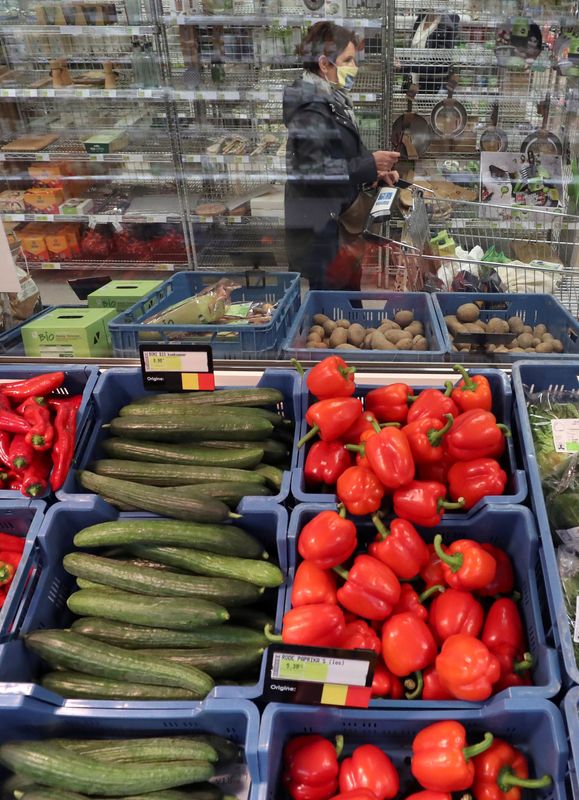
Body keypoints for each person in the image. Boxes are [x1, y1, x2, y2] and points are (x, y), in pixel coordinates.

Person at [283, 21, 400, 290]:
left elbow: (338, 154)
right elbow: (314, 172)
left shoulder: (332, 101)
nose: (354, 67)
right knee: (332, 315)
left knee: (348, 309)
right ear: (325, 64)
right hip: (322, 235)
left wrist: (374, 172)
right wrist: (368, 165)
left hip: (337, 228)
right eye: (347, 60)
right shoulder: (310, 110)